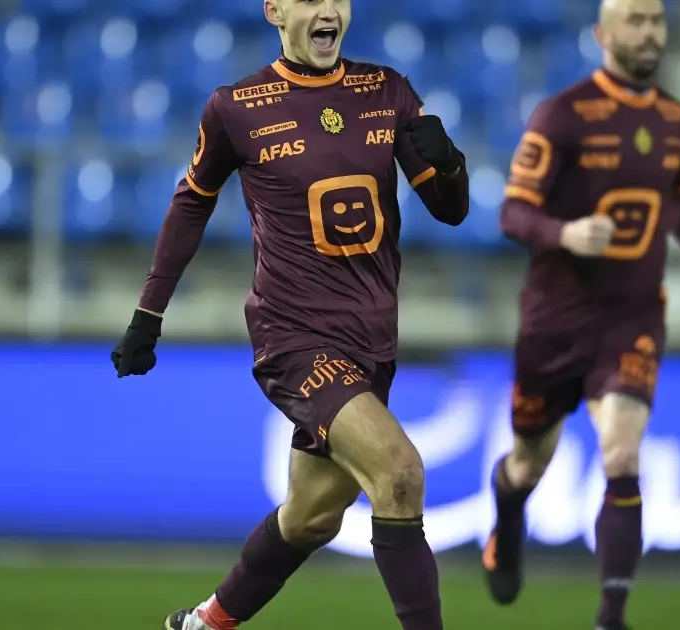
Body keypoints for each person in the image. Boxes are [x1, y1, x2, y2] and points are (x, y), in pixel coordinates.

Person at [110, 1, 470, 628]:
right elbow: (191, 204)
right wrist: (149, 313)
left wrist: (451, 163)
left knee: (310, 518)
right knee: (400, 473)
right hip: (294, 337)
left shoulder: (387, 91)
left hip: (372, 340)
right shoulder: (237, 107)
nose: (328, 10)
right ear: (275, 10)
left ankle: (204, 623)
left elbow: (452, 209)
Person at [484, 1, 680, 628]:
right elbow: (512, 212)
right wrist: (563, 233)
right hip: (556, 323)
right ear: (603, 34)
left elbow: (677, 195)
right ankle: (508, 512)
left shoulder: (676, 120)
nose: (650, 32)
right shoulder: (562, 115)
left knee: (621, 455)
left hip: (632, 318)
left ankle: (610, 617)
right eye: (636, 20)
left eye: (657, 20)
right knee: (528, 463)